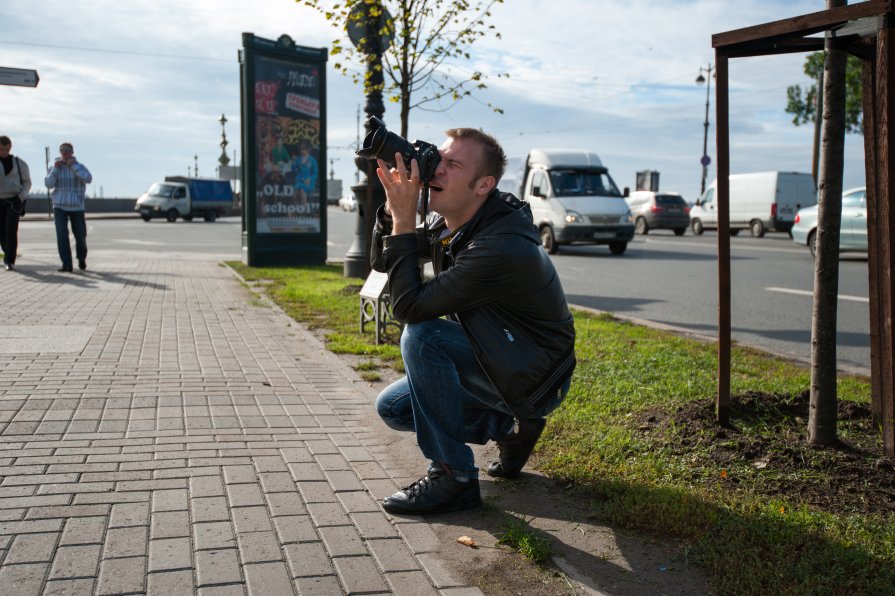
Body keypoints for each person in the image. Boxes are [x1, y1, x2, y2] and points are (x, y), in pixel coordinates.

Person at [370, 127, 576, 515]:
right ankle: (510, 428)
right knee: (393, 409)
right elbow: (384, 262)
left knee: (423, 336)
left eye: (452, 164)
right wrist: (390, 212)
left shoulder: (497, 246)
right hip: (501, 358)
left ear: (484, 185)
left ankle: (454, 477)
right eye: (438, 157)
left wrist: (403, 219)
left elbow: (410, 308)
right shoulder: (454, 225)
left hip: (536, 377)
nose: (436, 170)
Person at [45, 142, 92, 272]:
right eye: (62, 151)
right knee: (62, 235)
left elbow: (88, 178)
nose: (65, 154)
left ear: (72, 152)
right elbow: (48, 184)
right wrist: (55, 170)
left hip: (77, 206)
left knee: (80, 235)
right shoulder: (54, 167)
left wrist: (74, 167)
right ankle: (66, 264)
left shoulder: (79, 166)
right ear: (60, 153)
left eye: (67, 151)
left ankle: (81, 258)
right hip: (59, 206)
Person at [0, 136, 32, 271]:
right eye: (1, 149)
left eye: (6, 149)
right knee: (1, 231)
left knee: (11, 230)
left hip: (14, 200)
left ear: (10, 148)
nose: (4, 152)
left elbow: (27, 182)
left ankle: (9, 260)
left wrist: (21, 197)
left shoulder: (20, 163)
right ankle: (6, 251)